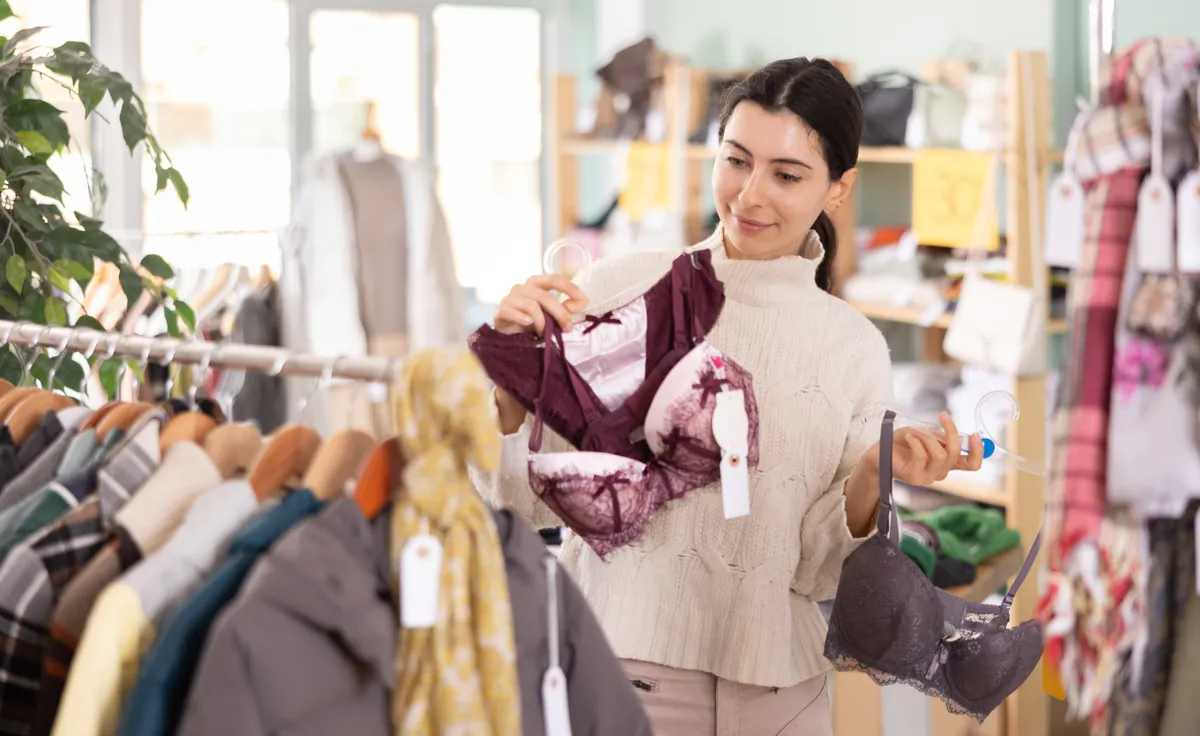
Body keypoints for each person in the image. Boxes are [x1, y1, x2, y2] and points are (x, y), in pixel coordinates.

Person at [477, 57, 986, 736]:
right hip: (627, 671)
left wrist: (870, 478)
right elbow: (521, 493)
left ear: (838, 188)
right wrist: (513, 374)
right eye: (736, 161)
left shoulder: (853, 347)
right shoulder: (623, 290)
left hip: (785, 695)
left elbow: (820, 571)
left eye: (786, 174)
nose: (750, 196)